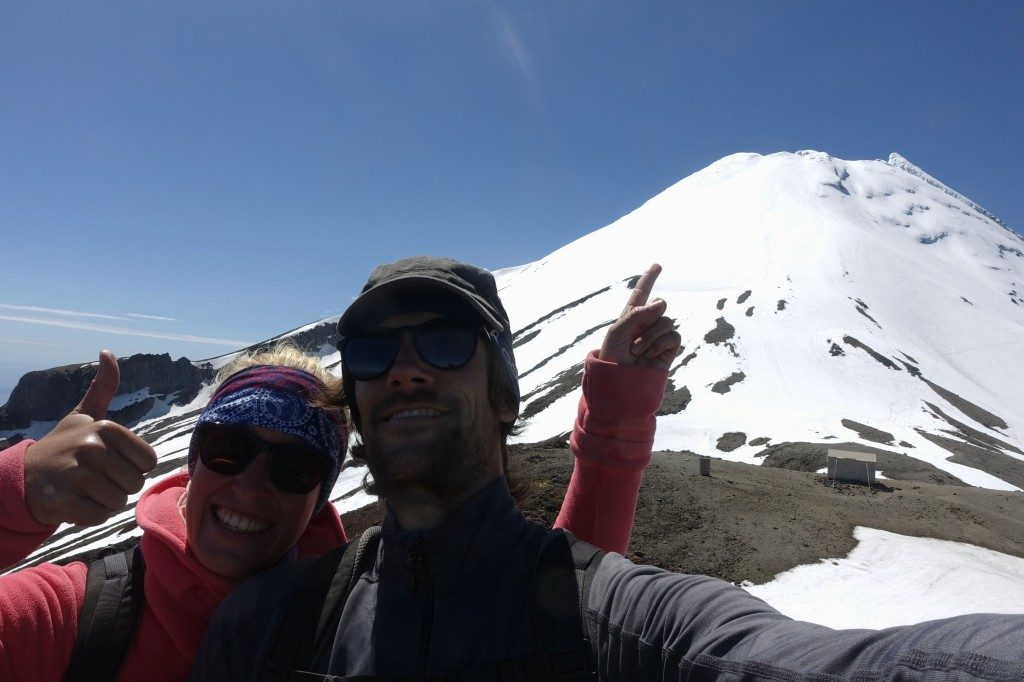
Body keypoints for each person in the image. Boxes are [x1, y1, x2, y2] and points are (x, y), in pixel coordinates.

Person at [192, 256, 1024, 682]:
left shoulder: (611, 616)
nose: (405, 368)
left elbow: (779, 659)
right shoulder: (268, 625)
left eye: (445, 343)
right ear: (359, 398)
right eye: (374, 349)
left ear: (507, 394)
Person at [0, 266, 676, 681]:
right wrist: (19, 493)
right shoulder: (76, 615)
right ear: (194, 456)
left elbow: (555, 599)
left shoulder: (343, 609)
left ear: (320, 497)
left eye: (294, 466)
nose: (250, 484)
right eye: (230, 448)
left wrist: (615, 416)